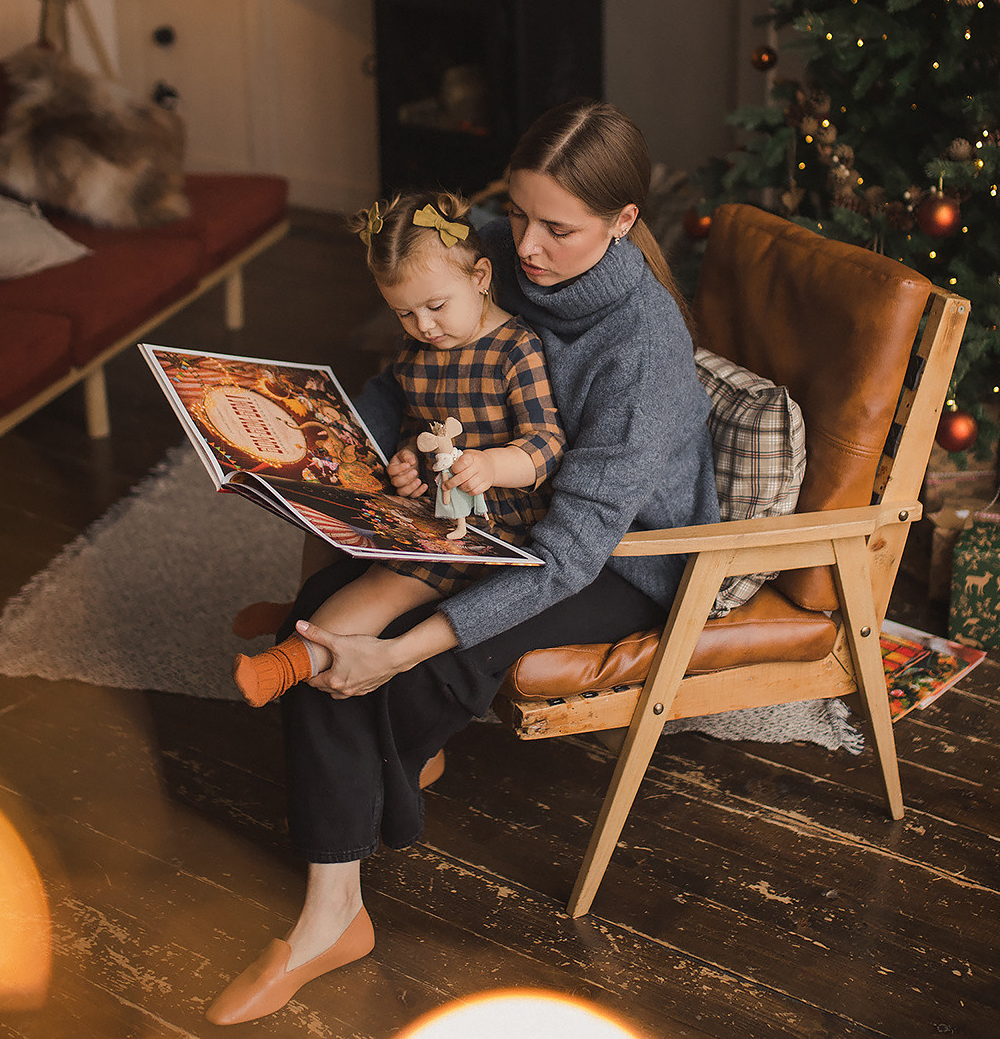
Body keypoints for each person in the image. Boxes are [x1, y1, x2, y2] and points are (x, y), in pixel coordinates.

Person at [205, 101, 719, 1026]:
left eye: (557, 229)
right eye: (515, 214)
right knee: (322, 616)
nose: (525, 246)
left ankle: (335, 904)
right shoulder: (490, 244)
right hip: (484, 514)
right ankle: (362, 847)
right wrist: (324, 455)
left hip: (612, 560)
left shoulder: (641, 349)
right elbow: (402, 360)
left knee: (407, 663)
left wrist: (400, 652)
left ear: (624, 222)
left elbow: (566, 555)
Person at [231, 191, 565, 708]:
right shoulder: (419, 352)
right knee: (328, 512)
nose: (424, 326)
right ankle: (297, 612)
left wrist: (493, 464)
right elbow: (419, 425)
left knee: (386, 587)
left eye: (435, 306)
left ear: (479, 278)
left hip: (488, 523)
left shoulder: (515, 349)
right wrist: (408, 458)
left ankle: (288, 662)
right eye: (404, 314)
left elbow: (546, 443)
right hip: (430, 502)